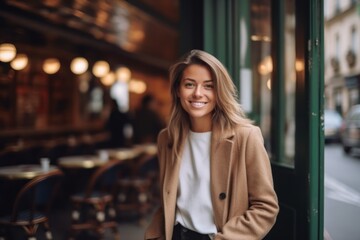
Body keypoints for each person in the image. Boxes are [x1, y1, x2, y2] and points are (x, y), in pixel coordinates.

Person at [145, 50, 279, 240]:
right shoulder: (167, 138)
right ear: (177, 90)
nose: (198, 93)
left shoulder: (246, 136)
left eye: (209, 86)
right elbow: (168, 199)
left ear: (219, 92)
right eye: (189, 84)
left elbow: (266, 207)